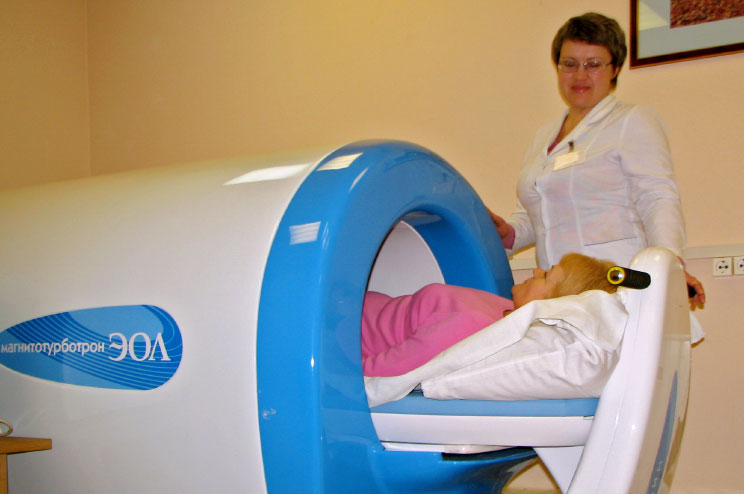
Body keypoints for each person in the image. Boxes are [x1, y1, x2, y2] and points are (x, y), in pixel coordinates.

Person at [488, 12, 705, 310]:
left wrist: (670, 266)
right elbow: (538, 214)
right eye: (570, 64)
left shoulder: (631, 121)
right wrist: (509, 233)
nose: (580, 76)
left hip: (617, 286)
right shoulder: (543, 137)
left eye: (593, 65)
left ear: (614, 68)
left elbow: (657, 197)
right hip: (559, 290)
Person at [362, 252, 617, 377]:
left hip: (346, 334)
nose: (537, 271)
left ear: (554, 304)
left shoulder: (473, 328)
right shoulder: (504, 308)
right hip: (354, 306)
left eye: (547, 276)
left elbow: (383, 372)